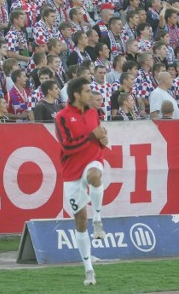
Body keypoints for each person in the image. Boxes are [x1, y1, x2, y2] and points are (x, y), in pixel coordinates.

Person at [54, 77, 108, 286]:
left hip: (92, 161)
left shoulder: (94, 113)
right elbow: (67, 147)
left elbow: (97, 139)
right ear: (76, 95)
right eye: (87, 91)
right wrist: (93, 137)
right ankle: (89, 270)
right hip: (72, 170)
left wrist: (102, 140)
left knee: (95, 176)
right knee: (79, 221)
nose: (91, 95)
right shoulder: (62, 117)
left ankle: (98, 220)